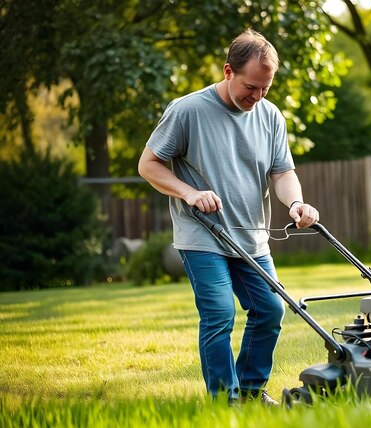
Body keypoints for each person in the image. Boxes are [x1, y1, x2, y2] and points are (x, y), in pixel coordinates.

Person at [138, 28, 319, 405]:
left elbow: (282, 172)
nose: (257, 97)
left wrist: (295, 203)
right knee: (220, 313)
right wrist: (188, 192)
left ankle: (252, 392)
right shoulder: (187, 110)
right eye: (251, 87)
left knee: (270, 311)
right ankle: (225, 400)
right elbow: (148, 164)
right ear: (227, 71)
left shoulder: (270, 116)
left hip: (251, 237)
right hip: (202, 234)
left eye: (265, 88)